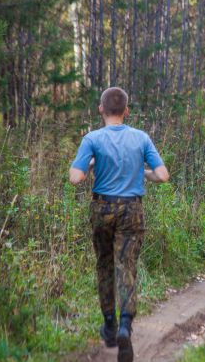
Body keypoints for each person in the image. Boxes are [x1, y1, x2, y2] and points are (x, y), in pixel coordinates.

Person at [69, 87, 170, 362]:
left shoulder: (92, 138)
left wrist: (91, 163)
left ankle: (110, 326)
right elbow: (163, 175)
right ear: (126, 111)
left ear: (101, 109)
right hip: (132, 209)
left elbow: (75, 178)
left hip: (102, 208)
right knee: (126, 265)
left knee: (104, 264)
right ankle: (126, 325)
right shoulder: (141, 138)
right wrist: (143, 172)